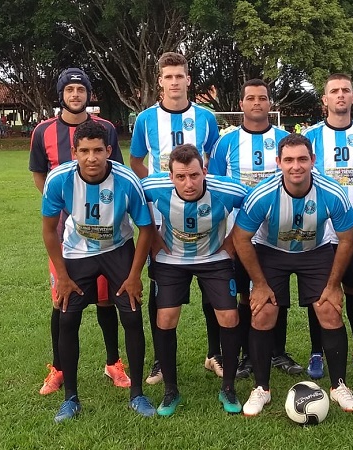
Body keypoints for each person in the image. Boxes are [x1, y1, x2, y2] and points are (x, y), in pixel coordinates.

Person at [232, 133, 353, 416]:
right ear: (278, 163)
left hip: (315, 251)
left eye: (302, 159)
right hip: (271, 251)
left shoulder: (332, 192)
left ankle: (339, 385)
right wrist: (261, 285)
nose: (296, 166)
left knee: (329, 309)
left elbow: (348, 238)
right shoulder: (263, 195)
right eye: (288, 160)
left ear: (313, 160)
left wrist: (333, 284)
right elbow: (241, 238)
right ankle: (261, 389)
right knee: (263, 312)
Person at [41, 121, 156, 422]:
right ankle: (71, 399)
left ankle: (138, 395)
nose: (91, 158)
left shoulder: (127, 180)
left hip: (117, 249)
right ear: (75, 153)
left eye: (97, 151)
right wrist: (63, 276)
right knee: (68, 318)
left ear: (108, 151)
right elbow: (49, 230)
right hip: (77, 252)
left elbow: (146, 229)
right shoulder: (59, 179)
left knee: (131, 316)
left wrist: (134, 275)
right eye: (84, 151)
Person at [29, 68, 129, 395]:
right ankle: (58, 369)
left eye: (80, 89)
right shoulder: (43, 131)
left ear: (88, 94)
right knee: (63, 298)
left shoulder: (107, 129)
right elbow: (39, 174)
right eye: (69, 89)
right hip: (65, 231)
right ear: (62, 94)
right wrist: (61, 205)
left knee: (105, 298)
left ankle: (113, 362)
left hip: (105, 230)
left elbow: (118, 172)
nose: (75, 94)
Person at [130, 52, 222, 384]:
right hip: (164, 217)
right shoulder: (145, 119)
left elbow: (212, 161)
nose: (174, 82)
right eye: (167, 77)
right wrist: (158, 188)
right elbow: (137, 161)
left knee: (213, 284)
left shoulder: (207, 118)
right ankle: (159, 360)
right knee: (162, 287)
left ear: (188, 79)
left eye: (179, 76)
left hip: (203, 210)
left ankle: (216, 354)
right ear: (160, 81)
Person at [141, 144, 249, 415]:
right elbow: (133, 200)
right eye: (180, 177)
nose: (188, 183)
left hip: (214, 258)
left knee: (229, 317)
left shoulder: (227, 190)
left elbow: (254, 206)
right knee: (165, 318)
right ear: (170, 177)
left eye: (193, 176)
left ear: (204, 171)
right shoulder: (152, 186)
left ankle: (228, 388)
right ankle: (170, 391)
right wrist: (152, 235)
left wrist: (233, 240)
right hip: (171, 259)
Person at [208, 79, 303, 379]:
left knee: (276, 293)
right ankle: (248, 355)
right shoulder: (227, 142)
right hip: (240, 234)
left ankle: (277, 352)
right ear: (241, 105)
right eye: (251, 98)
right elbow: (216, 188)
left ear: (270, 104)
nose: (257, 103)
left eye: (263, 98)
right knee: (244, 296)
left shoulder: (284, 139)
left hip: (277, 232)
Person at [303, 73, 353, 378]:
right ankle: (316, 352)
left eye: (345, 90)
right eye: (334, 91)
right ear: (325, 100)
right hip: (320, 234)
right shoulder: (311, 136)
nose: (340, 95)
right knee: (320, 293)